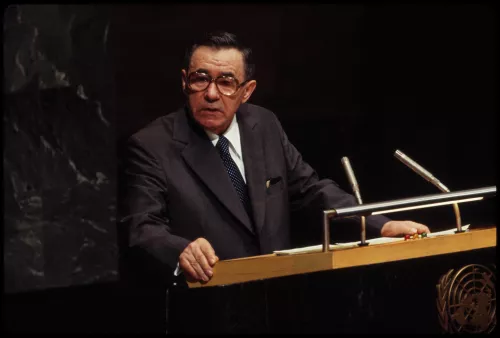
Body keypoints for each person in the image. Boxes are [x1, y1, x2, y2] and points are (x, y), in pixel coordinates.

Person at [119, 30, 430, 286]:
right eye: (201, 79)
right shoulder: (151, 145)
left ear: (246, 91)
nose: (211, 94)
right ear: (184, 81)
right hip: (207, 302)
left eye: (226, 82)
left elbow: (311, 191)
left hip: (279, 297)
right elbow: (143, 227)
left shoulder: (263, 125)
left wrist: (379, 225)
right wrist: (180, 251)